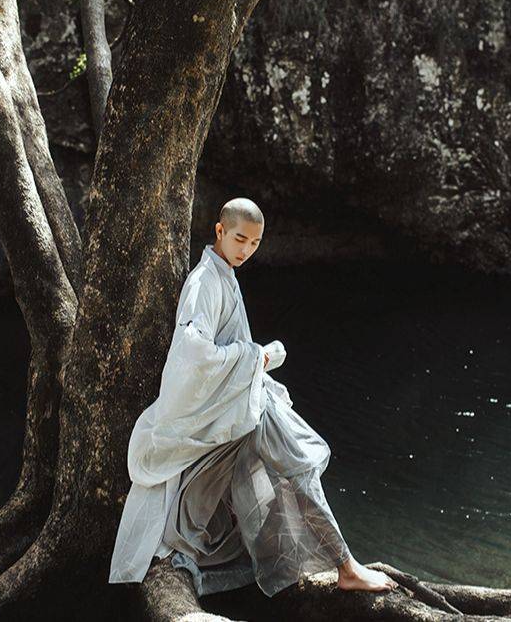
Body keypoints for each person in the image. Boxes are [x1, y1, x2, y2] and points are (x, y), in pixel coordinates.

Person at [108, 197, 397, 596]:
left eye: (255, 243)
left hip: (238, 401)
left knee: (290, 469)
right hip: (235, 405)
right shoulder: (204, 281)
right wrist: (257, 355)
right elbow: (193, 351)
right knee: (296, 465)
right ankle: (346, 566)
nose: (246, 250)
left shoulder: (224, 272)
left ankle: (325, 561)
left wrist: (254, 359)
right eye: (240, 239)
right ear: (220, 232)